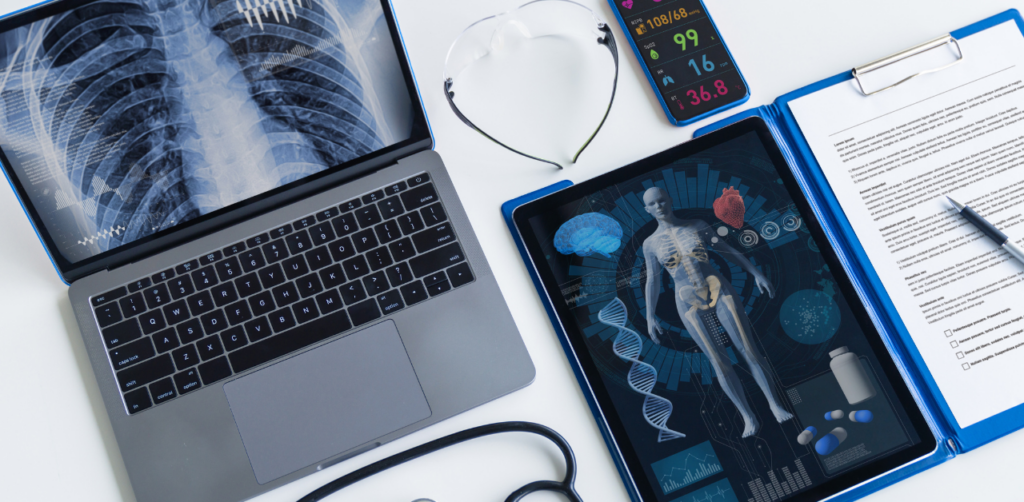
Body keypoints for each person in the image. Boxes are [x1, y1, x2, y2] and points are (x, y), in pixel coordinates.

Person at [641, 187, 792, 437]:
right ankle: (747, 417)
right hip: (687, 301)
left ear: (670, 200)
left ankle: (774, 405)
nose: (658, 206)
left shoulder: (697, 225)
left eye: (661, 200)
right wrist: (649, 315)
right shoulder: (650, 244)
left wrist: (756, 273)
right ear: (647, 210)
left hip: (720, 290)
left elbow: (725, 250)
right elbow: (653, 280)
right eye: (652, 204)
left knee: (748, 348)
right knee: (718, 361)